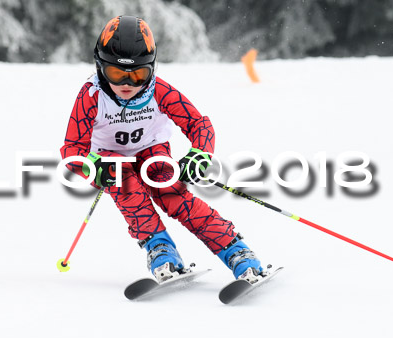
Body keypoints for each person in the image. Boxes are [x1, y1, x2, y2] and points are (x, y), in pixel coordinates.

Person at [61, 15, 263, 283]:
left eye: (138, 74)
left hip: (151, 148)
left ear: (151, 69)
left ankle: (237, 252)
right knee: (129, 190)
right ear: (100, 67)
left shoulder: (159, 90)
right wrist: (92, 167)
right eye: (116, 73)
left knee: (173, 194)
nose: (128, 84)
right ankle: (161, 250)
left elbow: (199, 124)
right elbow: (72, 148)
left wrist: (200, 154)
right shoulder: (90, 96)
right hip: (110, 157)